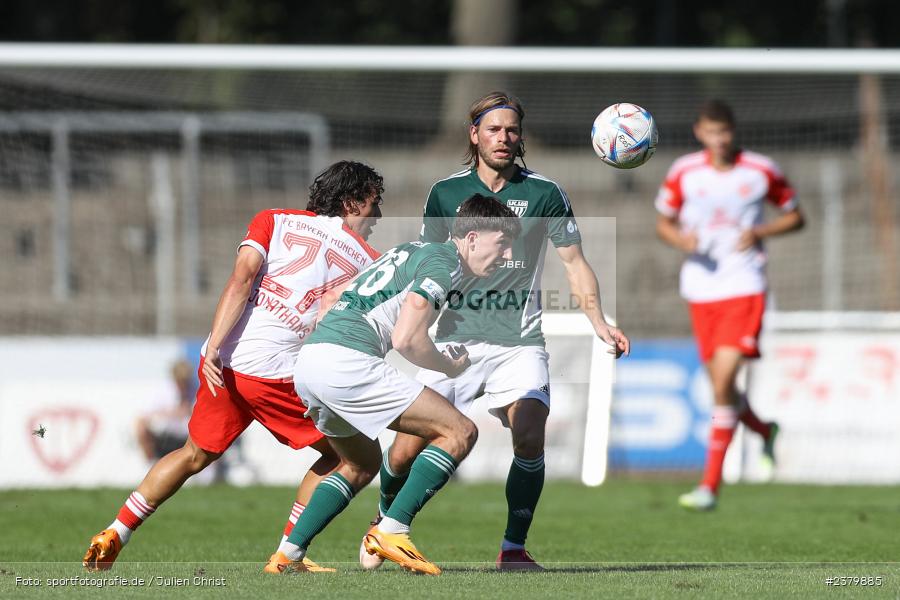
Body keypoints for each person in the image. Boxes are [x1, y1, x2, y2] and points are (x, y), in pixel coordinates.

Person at [363, 91, 630, 572]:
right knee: (404, 450)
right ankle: (383, 522)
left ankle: (513, 549)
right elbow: (427, 264)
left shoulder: (546, 193)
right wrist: (406, 325)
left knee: (529, 433)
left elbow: (574, 263)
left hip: (519, 340)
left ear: (520, 136)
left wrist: (599, 321)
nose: (503, 138)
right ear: (474, 135)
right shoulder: (445, 193)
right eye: (493, 129)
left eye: (511, 130)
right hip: (454, 338)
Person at [82, 160, 383, 571]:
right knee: (355, 458)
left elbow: (241, 278)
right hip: (276, 372)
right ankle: (288, 554)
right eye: (373, 203)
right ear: (351, 203)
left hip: (223, 364)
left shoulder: (272, 219)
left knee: (192, 454)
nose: (378, 215)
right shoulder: (368, 258)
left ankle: (116, 530)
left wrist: (213, 349)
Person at [266, 194, 521, 576]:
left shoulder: (411, 250)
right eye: (501, 242)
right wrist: (448, 367)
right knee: (459, 431)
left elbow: (338, 297)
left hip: (312, 363)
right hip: (346, 362)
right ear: (471, 238)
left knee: (360, 463)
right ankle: (392, 530)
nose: (506, 254)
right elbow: (406, 338)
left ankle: (287, 555)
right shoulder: (444, 262)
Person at [655, 100, 804, 511]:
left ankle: (709, 487)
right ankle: (764, 429)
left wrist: (761, 231)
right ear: (699, 132)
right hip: (701, 288)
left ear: (733, 132)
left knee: (723, 380)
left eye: (725, 132)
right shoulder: (684, 171)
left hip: (745, 284)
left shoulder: (760, 170)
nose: (719, 139)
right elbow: (663, 222)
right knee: (723, 386)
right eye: (711, 132)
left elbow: (796, 215)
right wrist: (680, 240)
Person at [134, 359, 194, 462]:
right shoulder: (162, 391)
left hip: (187, 435)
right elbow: (145, 415)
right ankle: (150, 464)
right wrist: (172, 413)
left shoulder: (196, 391)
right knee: (141, 427)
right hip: (165, 433)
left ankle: (206, 472)